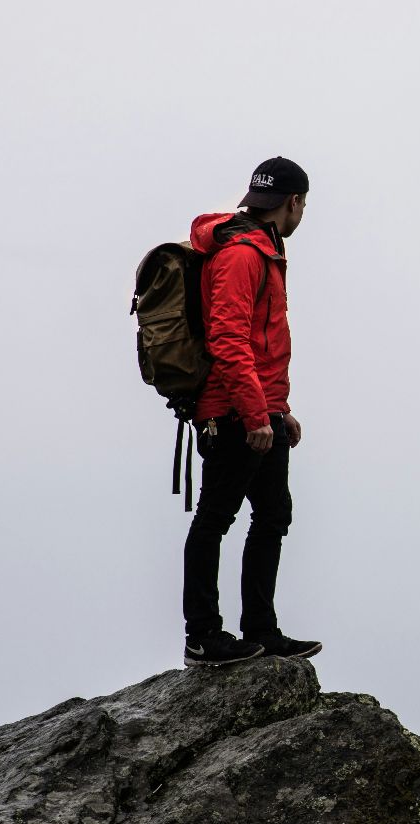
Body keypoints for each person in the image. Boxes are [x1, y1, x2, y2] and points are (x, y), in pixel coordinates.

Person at [180, 156, 322, 667]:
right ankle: (203, 635)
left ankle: (260, 630)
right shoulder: (242, 255)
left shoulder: (265, 250)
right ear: (294, 202)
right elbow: (228, 339)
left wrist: (278, 411)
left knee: (273, 516)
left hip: (260, 409)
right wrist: (255, 413)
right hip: (233, 411)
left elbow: (261, 344)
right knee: (216, 518)